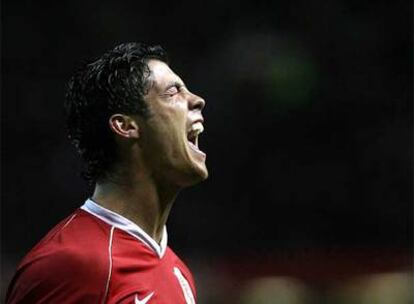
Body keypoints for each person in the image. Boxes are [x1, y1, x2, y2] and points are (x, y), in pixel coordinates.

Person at [6, 42, 208, 304]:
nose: (197, 100)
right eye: (172, 92)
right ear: (125, 126)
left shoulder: (179, 273)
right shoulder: (70, 265)